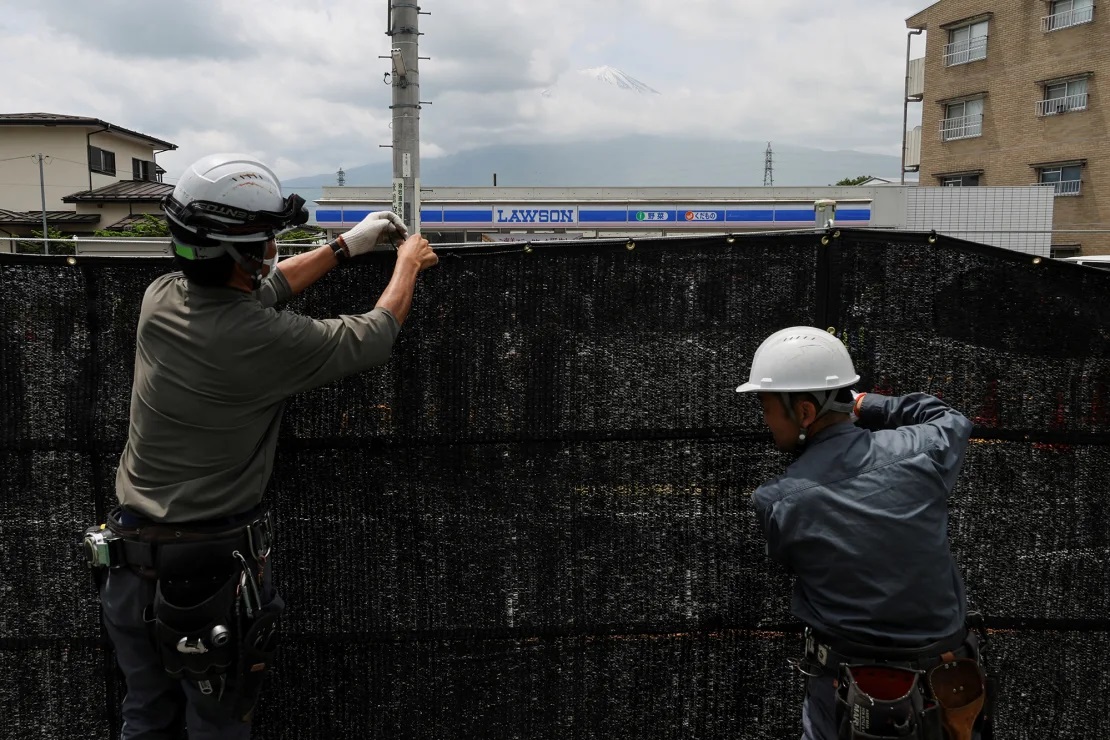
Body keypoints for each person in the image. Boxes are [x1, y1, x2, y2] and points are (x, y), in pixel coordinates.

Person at [87, 153, 438, 738]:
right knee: (219, 724)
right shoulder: (264, 340)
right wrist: (407, 263)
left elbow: (264, 288)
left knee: (145, 715)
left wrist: (345, 246)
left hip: (127, 567)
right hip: (208, 575)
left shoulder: (161, 300)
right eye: (268, 240)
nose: (274, 250)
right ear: (245, 254)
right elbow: (374, 335)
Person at [736, 327, 988, 740]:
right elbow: (952, 419)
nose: (764, 419)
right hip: (947, 689)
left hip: (844, 694)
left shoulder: (779, 502)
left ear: (802, 413)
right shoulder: (921, 452)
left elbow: (789, 561)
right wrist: (866, 403)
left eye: (766, 406)